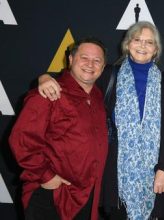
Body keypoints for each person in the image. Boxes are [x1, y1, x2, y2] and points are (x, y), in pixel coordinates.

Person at [37, 21, 164, 219]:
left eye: (149, 42)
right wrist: (44, 78)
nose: (142, 46)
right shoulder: (109, 75)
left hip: (155, 173)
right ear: (127, 44)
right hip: (116, 172)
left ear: (156, 49)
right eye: (137, 40)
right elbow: (75, 82)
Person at [9, 37, 108, 220]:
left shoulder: (98, 96)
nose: (90, 64)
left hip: (87, 196)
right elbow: (21, 140)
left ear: (103, 68)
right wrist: (46, 176)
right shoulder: (48, 92)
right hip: (52, 196)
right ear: (70, 59)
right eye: (84, 58)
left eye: (97, 61)